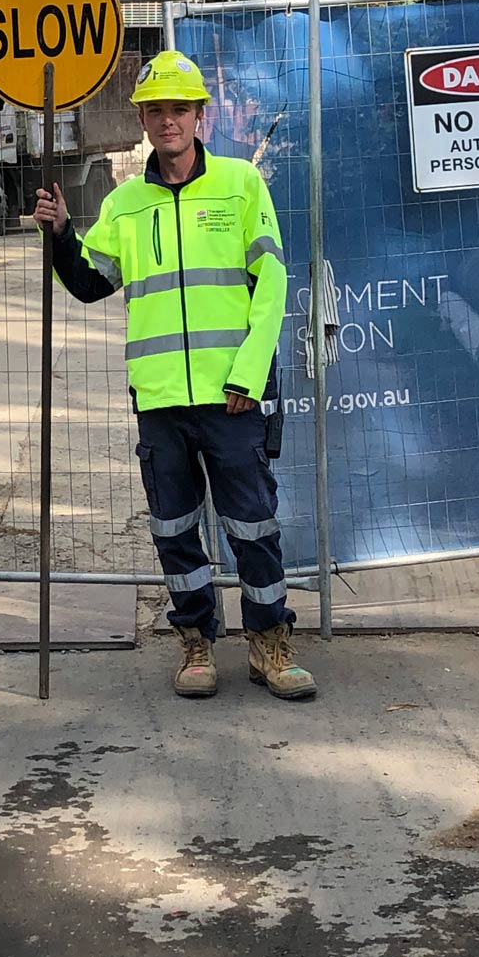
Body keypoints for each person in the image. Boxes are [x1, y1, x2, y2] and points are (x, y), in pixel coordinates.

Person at [33, 50, 316, 701]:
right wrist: (60, 235)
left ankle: (270, 645)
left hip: (233, 398)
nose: (168, 122)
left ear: (199, 116)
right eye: (155, 110)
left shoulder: (241, 185)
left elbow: (271, 284)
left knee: (253, 525)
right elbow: (86, 283)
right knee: (174, 528)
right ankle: (196, 644)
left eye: (179, 110)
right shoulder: (126, 204)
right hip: (160, 401)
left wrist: (250, 374)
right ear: (142, 119)